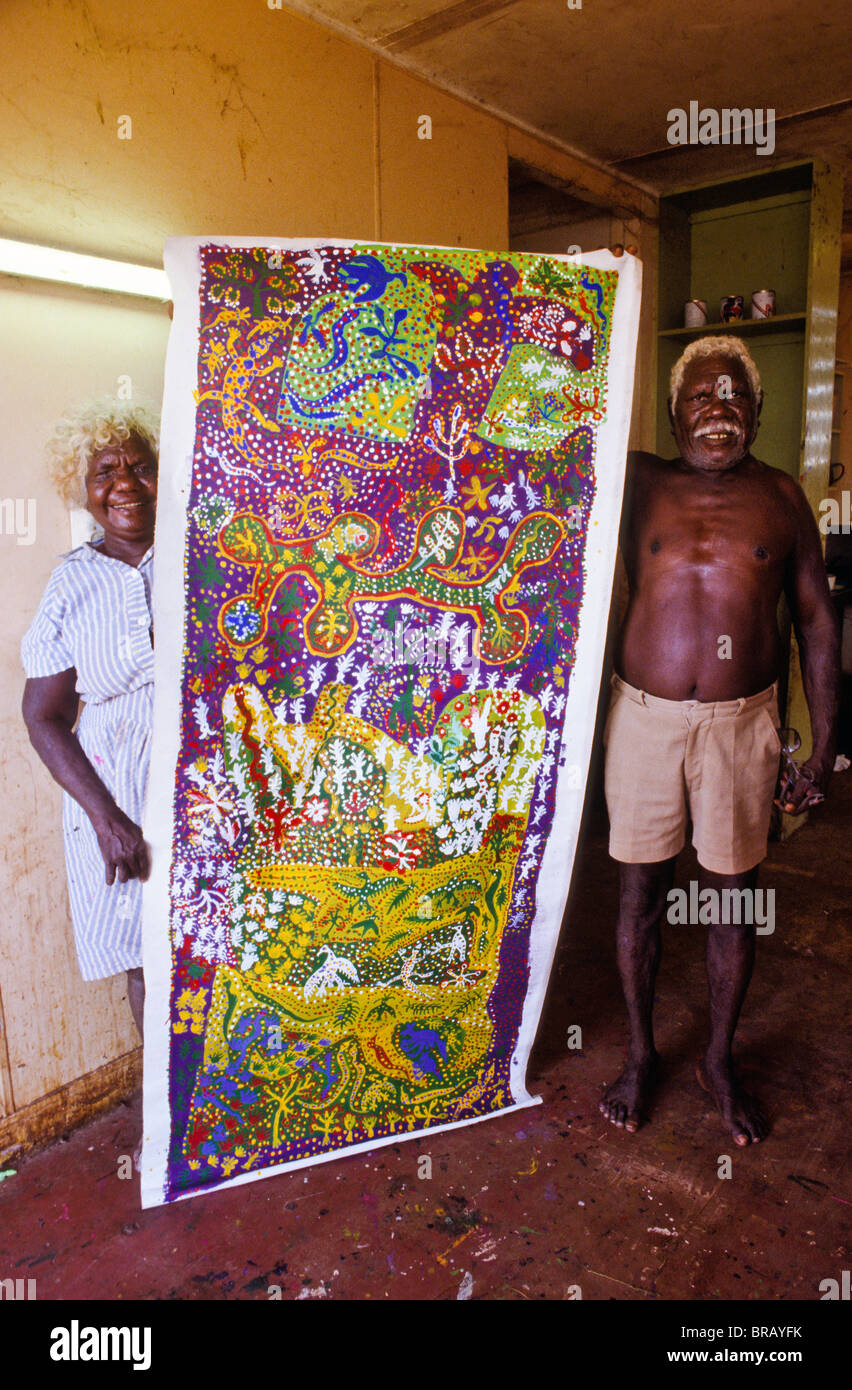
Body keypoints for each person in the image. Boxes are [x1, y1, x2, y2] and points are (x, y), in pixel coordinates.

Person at [599, 337, 839, 1145]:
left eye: (735, 397)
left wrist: (823, 751)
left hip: (742, 729)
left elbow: (816, 621)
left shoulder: (781, 498)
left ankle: (718, 1062)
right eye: (701, 396)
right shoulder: (636, 481)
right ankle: (640, 1055)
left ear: (759, 415)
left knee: (733, 902)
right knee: (638, 894)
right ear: (674, 411)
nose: (719, 411)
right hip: (643, 720)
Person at [21, 401, 159, 1056]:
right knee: (146, 959)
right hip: (117, 798)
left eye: (139, 466)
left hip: (210, 787)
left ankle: (251, 1104)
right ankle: (180, 1119)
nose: (124, 484)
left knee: (234, 947)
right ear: (85, 490)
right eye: (105, 471)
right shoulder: (71, 584)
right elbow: (43, 715)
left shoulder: (207, 559)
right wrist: (108, 820)